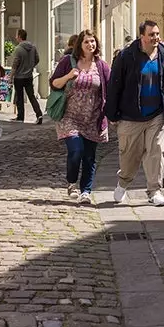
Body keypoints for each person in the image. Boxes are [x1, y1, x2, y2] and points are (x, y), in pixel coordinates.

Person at [104, 20, 164, 207]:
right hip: (130, 116)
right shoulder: (127, 57)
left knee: (156, 152)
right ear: (142, 36)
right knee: (129, 157)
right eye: (151, 34)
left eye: (157, 34)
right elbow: (114, 86)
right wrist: (111, 113)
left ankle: (154, 190)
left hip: (156, 115)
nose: (155, 37)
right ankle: (123, 183)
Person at [50, 30, 110, 203]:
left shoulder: (102, 66)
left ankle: (86, 191)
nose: (90, 45)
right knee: (76, 150)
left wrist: (113, 113)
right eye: (86, 42)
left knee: (90, 157)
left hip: (93, 117)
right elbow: (54, 84)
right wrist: (69, 76)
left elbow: (111, 89)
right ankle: (71, 182)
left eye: (93, 41)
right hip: (69, 116)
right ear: (80, 45)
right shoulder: (67, 62)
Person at [11, 28, 42, 124]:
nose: (16, 37)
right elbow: (37, 59)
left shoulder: (18, 49)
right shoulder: (33, 47)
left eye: (17, 35)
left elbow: (15, 64)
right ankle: (39, 114)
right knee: (31, 96)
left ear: (19, 36)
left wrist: (11, 76)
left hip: (19, 77)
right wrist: (31, 66)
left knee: (19, 97)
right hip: (29, 76)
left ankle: (20, 117)